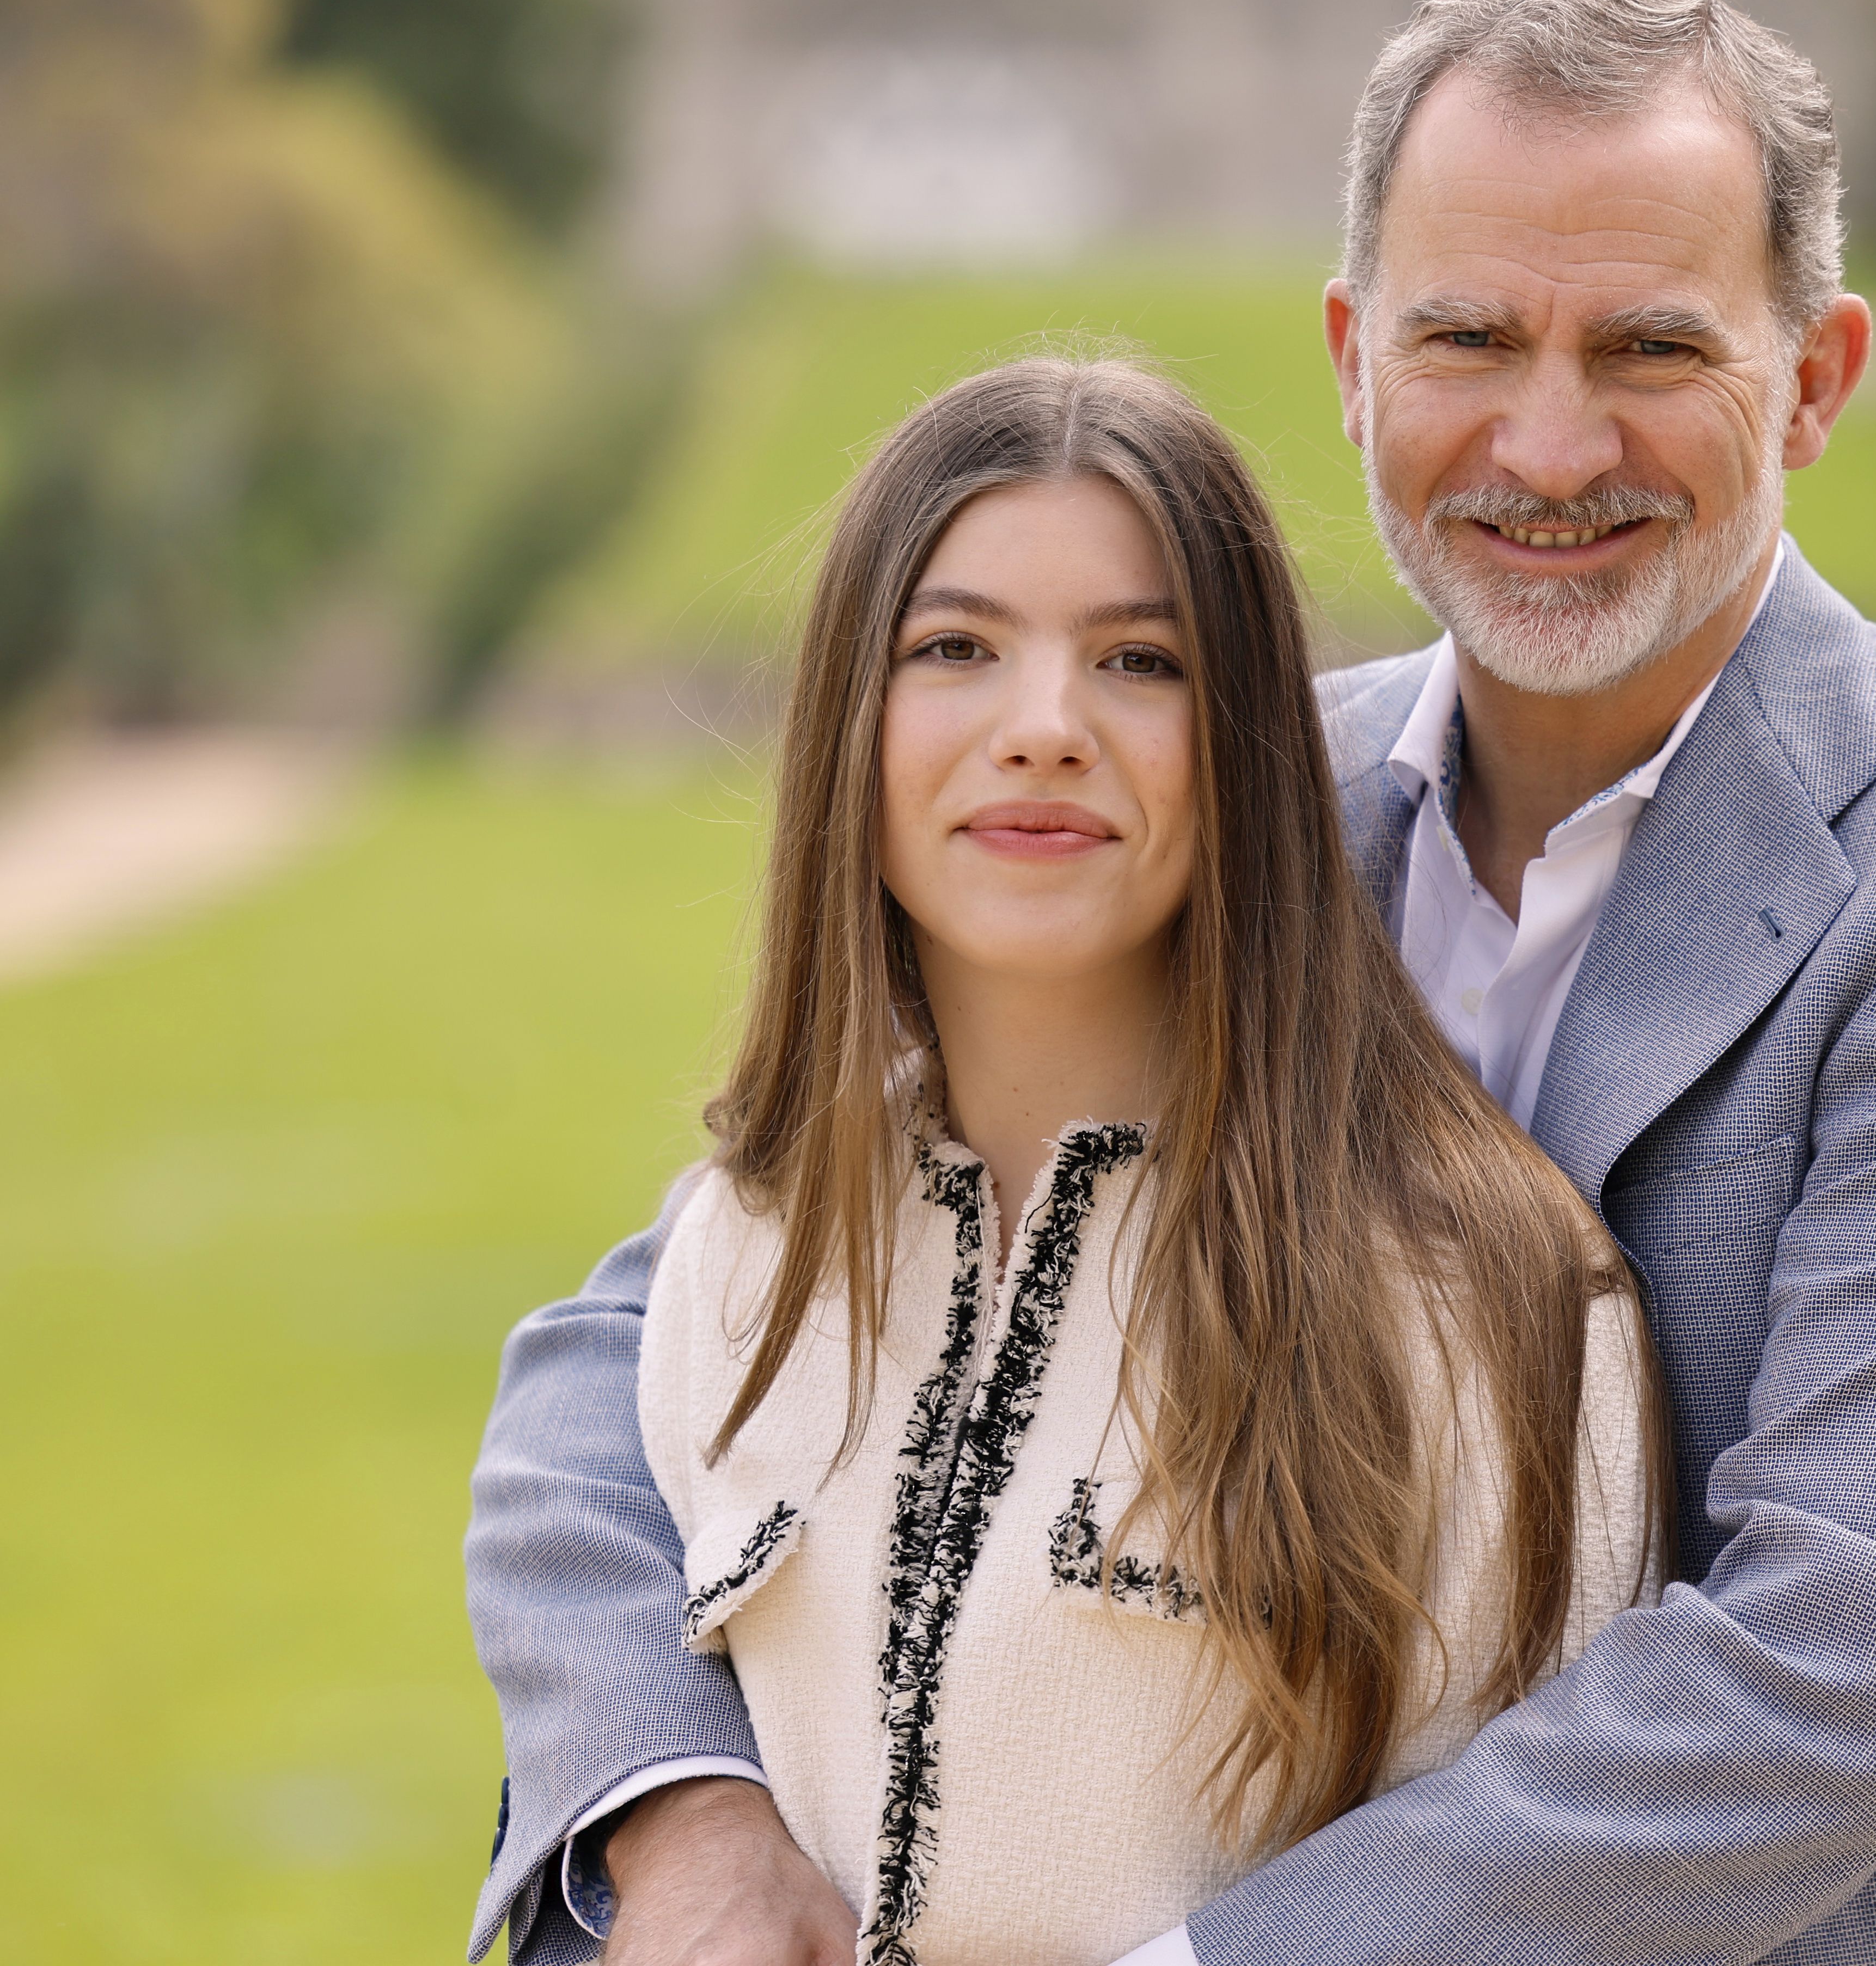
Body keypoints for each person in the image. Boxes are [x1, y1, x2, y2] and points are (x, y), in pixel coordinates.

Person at [469, 0, 1876, 1966]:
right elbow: (649, 1335)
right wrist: (673, 1819)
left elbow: (1843, 1663)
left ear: (1812, 380)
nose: (1550, 448)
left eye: (1649, 348)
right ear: (1357, 356)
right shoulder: (1242, 782)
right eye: (1468, 339)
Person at [586, 353, 1661, 1964]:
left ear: (1245, 745)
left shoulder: (1489, 1293)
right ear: (848, 731)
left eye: (1138, 662)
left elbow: (1545, 1907)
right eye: (953, 648)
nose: (1043, 731)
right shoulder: (740, 1243)